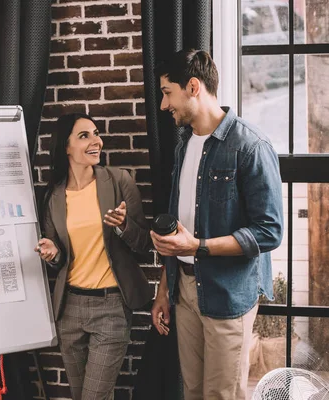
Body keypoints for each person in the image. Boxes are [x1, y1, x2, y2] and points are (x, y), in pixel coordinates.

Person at [149, 49, 283, 400]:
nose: (164, 105)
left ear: (192, 86)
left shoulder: (250, 146)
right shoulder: (184, 147)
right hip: (185, 290)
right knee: (192, 391)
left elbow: (269, 231)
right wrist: (164, 288)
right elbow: (180, 227)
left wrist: (198, 247)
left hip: (228, 293)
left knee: (222, 395)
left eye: (167, 93)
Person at [35, 112, 152, 400]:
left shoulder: (119, 181)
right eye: (84, 135)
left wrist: (123, 226)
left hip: (111, 307)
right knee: (81, 395)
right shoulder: (54, 197)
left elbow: (143, 245)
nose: (96, 141)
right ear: (66, 146)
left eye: (96, 133)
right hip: (70, 308)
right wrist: (52, 254)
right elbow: (59, 259)